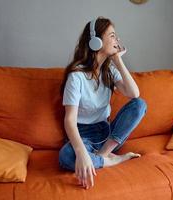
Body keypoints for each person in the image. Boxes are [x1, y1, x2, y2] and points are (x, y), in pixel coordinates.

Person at [58, 16, 147, 190]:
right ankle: (114, 159)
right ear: (96, 41)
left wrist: (118, 60)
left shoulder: (110, 72)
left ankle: (102, 155)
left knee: (139, 104)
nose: (117, 40)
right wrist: (82, 153)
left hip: (109, 136)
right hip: (83, 136)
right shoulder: (76, 76)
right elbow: (69, 120)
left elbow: (134, 93)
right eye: (112, 35)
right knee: (66, 156)